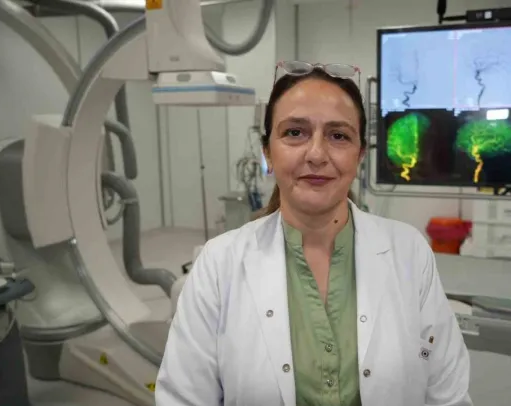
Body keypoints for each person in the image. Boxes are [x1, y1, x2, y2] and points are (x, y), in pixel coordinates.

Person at [155, 61, 473, 406]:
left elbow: (449, 394)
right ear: (268, 152)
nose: (317, 154)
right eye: (295, 133)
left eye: (338, 136)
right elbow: (183, 399)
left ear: (359, 155)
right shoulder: (219, 263)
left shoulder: (409, 251)